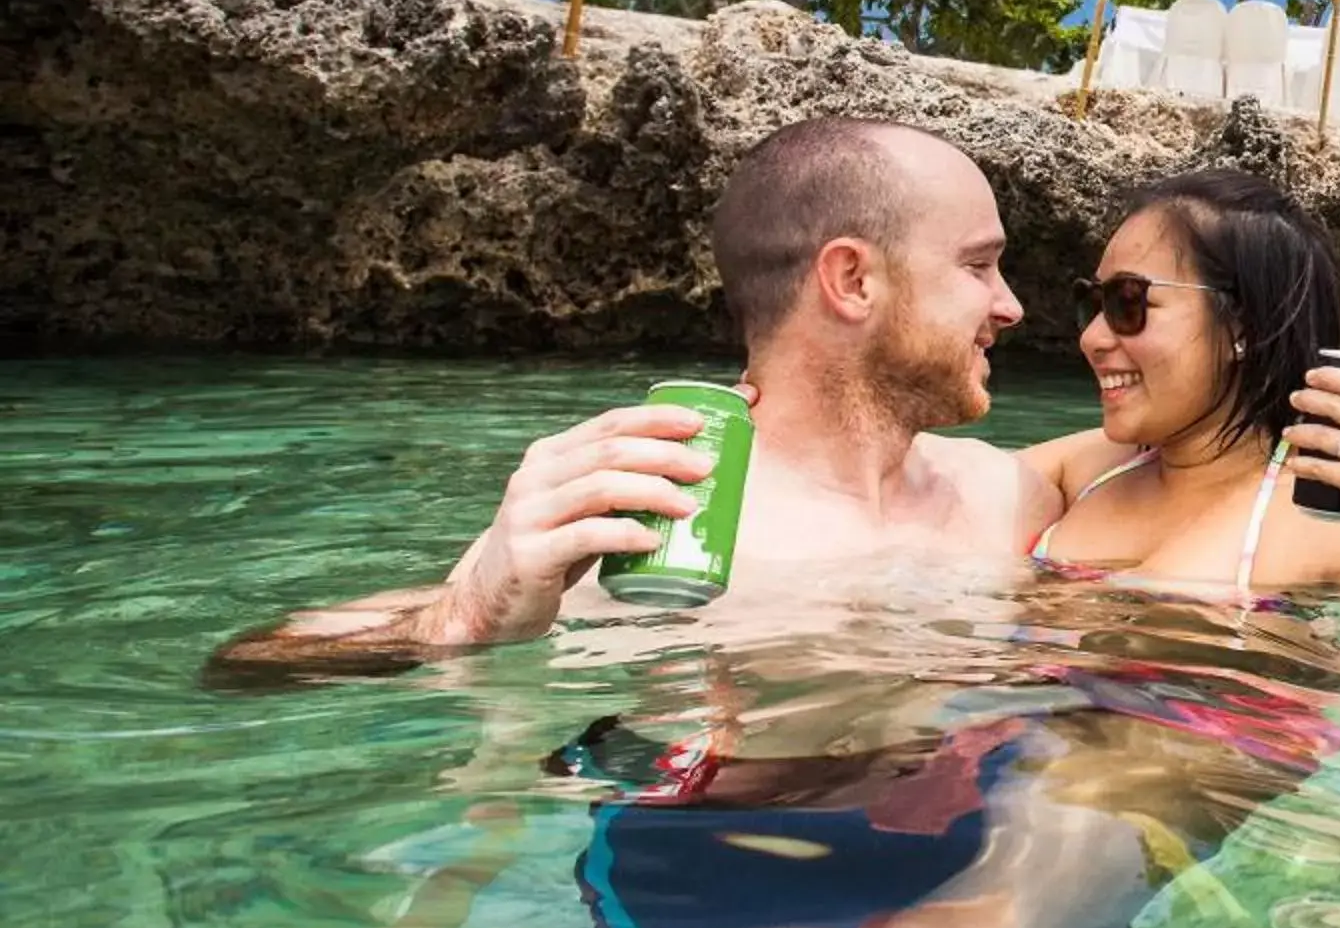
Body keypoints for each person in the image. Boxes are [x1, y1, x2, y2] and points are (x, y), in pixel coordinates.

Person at [210, 117, 1036, 673]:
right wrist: (458, 619)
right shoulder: (650, 520)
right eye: (977, 265)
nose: (1012, 306)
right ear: (852, 279)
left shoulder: (1006, 489)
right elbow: (251, 661)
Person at [1018, 166, 1340, 651]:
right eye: (1093, 302)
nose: (1091, 337)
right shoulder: (1090, 467)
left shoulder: (1323, 528)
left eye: (1128, 303)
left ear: (1242, 327)